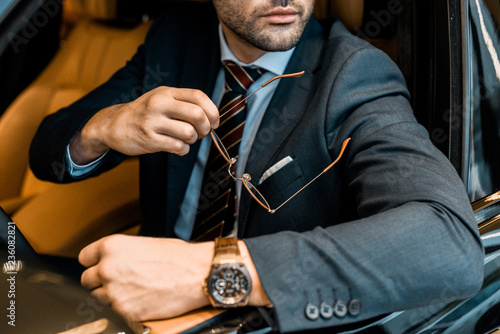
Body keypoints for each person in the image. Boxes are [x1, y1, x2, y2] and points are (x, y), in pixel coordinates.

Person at [29, 0, 484, 332]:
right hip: (139, 304)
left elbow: (447, 242)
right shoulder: (177, 39)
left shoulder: (353, 72)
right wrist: (105, 126)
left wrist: (208, 273)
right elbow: (46, 151)